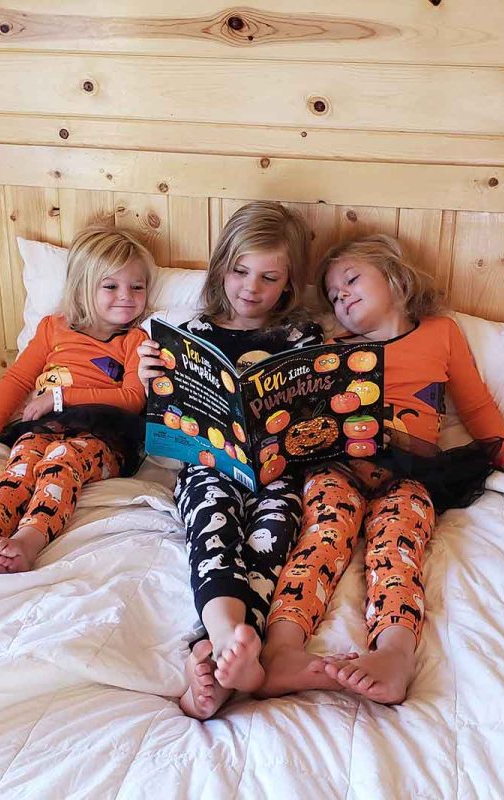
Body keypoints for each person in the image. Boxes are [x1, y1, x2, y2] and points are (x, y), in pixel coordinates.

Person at [259, 234, 504, 704]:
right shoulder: (333, 346)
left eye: (352, 280)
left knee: (400, 541)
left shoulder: (441, 333)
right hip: (340, 462)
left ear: (396, 277)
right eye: (335, 297)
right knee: (322, 533)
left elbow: (476, 402)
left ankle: (394, 653)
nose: (343, 297)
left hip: (413, 471)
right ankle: (282, 651)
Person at [138, 201, 323, 719]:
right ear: (221, 266)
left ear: (289, 283)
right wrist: (148, 383)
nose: (251, 287)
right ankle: (225, 641)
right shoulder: (190, 336)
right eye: (240, 271)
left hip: (277, 472)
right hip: (209, 467)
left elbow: (316, 420)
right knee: (213, 528)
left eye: (269, 277)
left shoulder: (303, 338)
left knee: (273, 540)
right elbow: (160, 430)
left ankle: (218, 658)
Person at [0, 226, 155, 577]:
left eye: (137, 286)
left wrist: (58, 398)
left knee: (63, 459)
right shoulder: (53, 329)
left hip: (105, 435)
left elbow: (132, 399)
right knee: (22, 464)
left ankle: (28, 542)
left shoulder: (136, 339)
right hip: (43, 427)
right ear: (82, 288)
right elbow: (17, 379)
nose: (127, 296)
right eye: (111, 286)